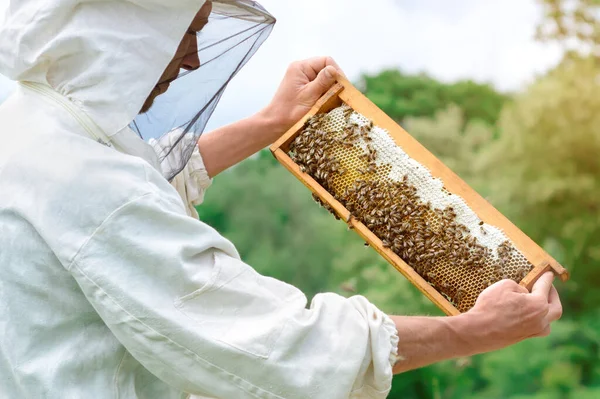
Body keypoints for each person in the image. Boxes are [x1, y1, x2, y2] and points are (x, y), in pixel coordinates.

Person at [0, 0, 562, 398]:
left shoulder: (29, 124)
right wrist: (470, 332)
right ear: (129, 31)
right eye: (189, 29)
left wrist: (273, 123)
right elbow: (275, 347)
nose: (194, 57)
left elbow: (143, 180)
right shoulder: (94, 184)